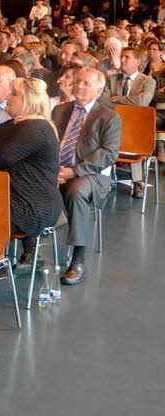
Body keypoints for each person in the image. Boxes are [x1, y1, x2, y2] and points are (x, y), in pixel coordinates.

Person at [0, 78, 63, 268]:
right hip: (15, 198)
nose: (8, 97)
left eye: (14, 94)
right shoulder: (18, 123)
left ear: (27, 101)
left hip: (34, 205)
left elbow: (3, 155)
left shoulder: (37, 128)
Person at [52, 68, 120, 285]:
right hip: (57, 169)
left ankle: (78, 259)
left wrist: (74, 171)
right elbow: (49, 143)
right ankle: (28, 252)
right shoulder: (59, 110)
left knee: (76, 190)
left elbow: (109, 153)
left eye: (86, 83)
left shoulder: (109, 116)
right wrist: (52, 170)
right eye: (77, 81)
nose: (79, 86)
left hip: (92, 174)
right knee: (25, 182)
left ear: (99, 90)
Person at [103, 46, 155, 197]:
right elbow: (103, 102)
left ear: (137, 62)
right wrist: (128, 102)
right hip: (112, 122)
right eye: (122, 57)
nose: (122, 60)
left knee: (133, 132)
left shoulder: (148, 81)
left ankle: (137, 181)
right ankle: (102, 179)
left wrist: (115, 100)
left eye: (127, 57)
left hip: (136, 126)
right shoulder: (111, 79)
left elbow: (142, 102)